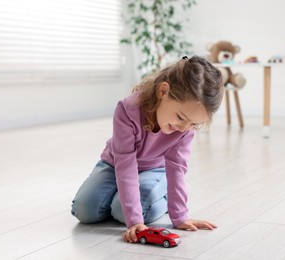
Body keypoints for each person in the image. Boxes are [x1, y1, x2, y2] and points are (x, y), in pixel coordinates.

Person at [71, 55, 224, 243]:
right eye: (181, 117)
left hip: (155, 169)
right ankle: (138, 198)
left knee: (121, 211)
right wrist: (134, 219)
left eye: (193, 123)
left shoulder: (185, 129)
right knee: (85, 210)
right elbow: (125, 164)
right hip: (115, 164)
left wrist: (180, 216)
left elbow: (176, 168)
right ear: (163, 91)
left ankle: (163, 191)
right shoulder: (127, 109)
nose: (184, 128)